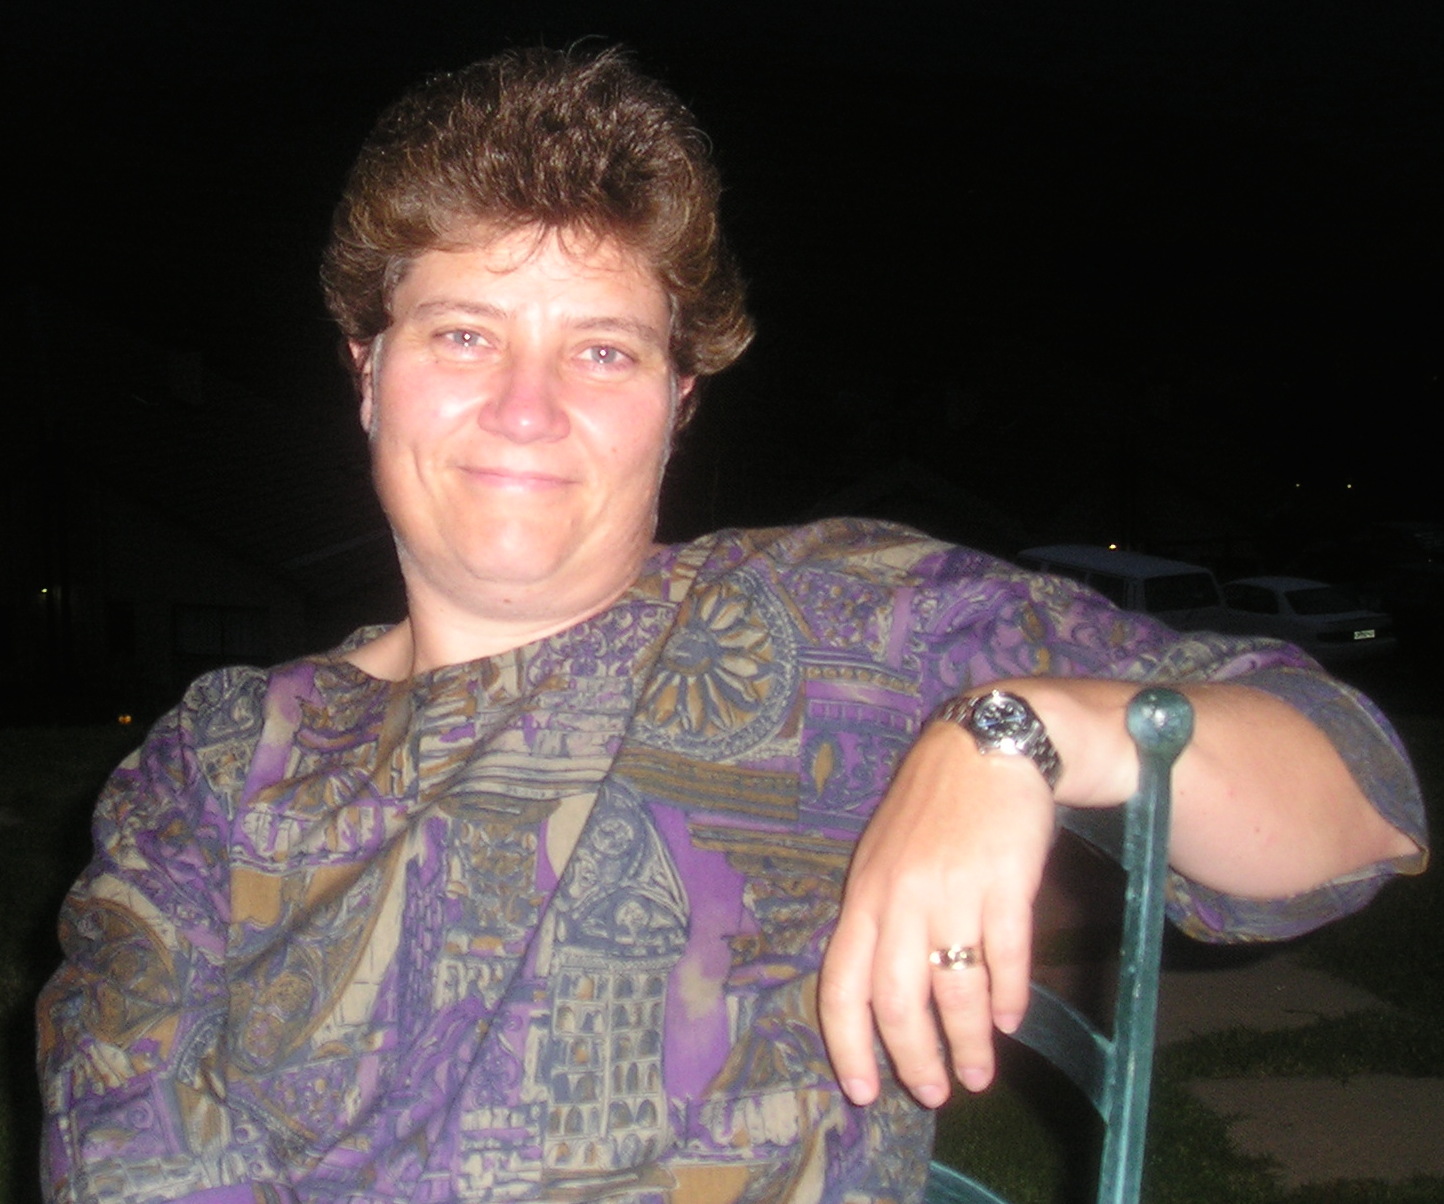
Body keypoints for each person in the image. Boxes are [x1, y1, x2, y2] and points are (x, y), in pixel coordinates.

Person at [39, 46, 1425, 1204]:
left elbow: (1360, 805)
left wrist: (1017, 729)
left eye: (603, 349)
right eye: (463, 334)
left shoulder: (830, 627)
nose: (527, 409)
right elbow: (122, 1148)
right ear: (367, 371)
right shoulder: (211, 768)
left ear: (679, 400)